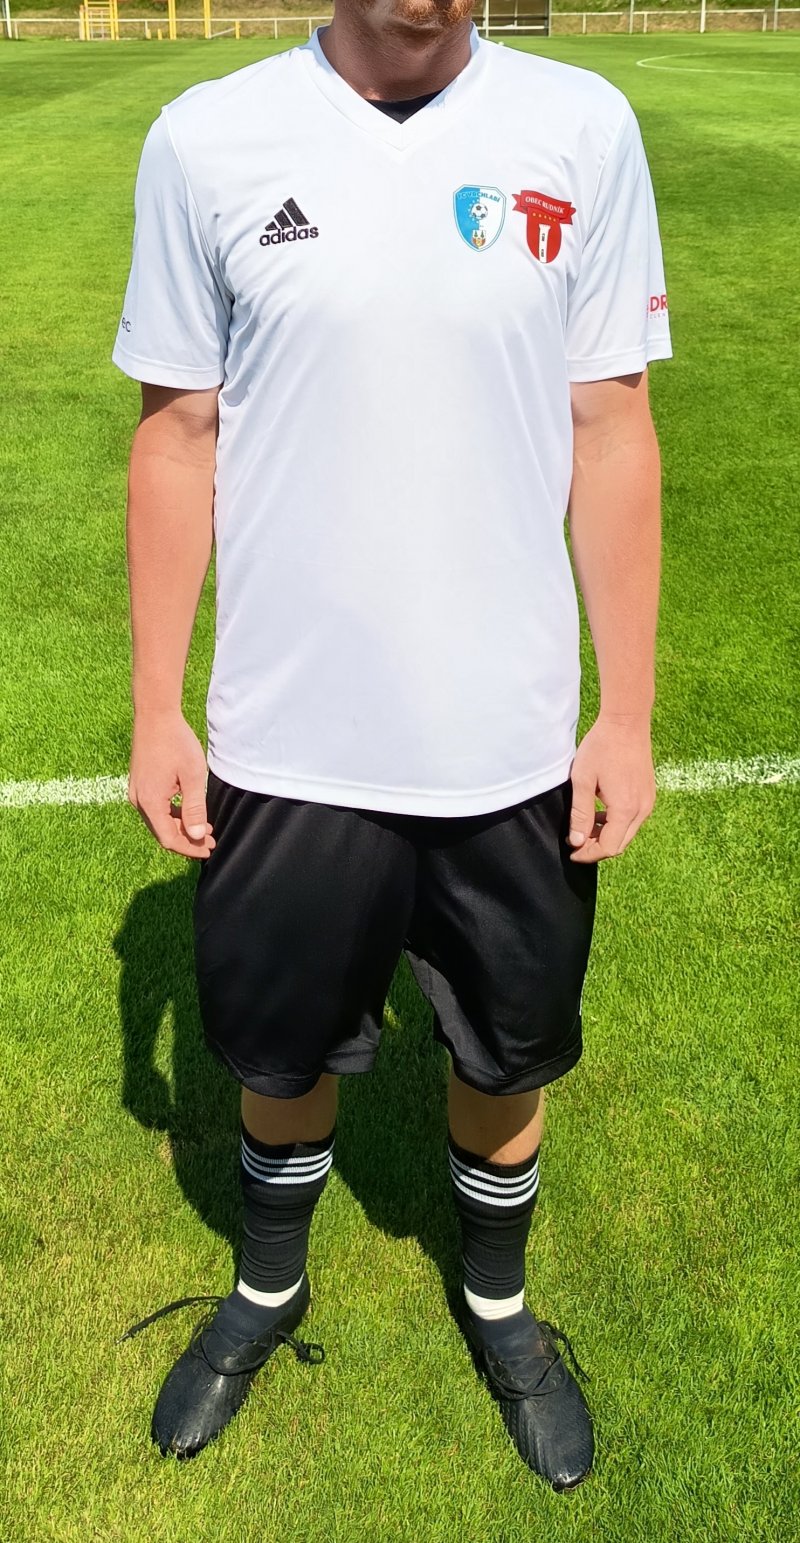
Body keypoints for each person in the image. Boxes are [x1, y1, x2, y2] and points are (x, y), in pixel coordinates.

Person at [112, 0, 671, 1491]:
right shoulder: (209, 140)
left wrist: (623, 712)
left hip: (509, 746)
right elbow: (177, 433)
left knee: (505, 1058)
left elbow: (612, 426)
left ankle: (499, 1307)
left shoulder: (581, 127)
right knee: (281, 1057)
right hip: (289, 742)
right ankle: (267, 1286)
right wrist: (158, 705)